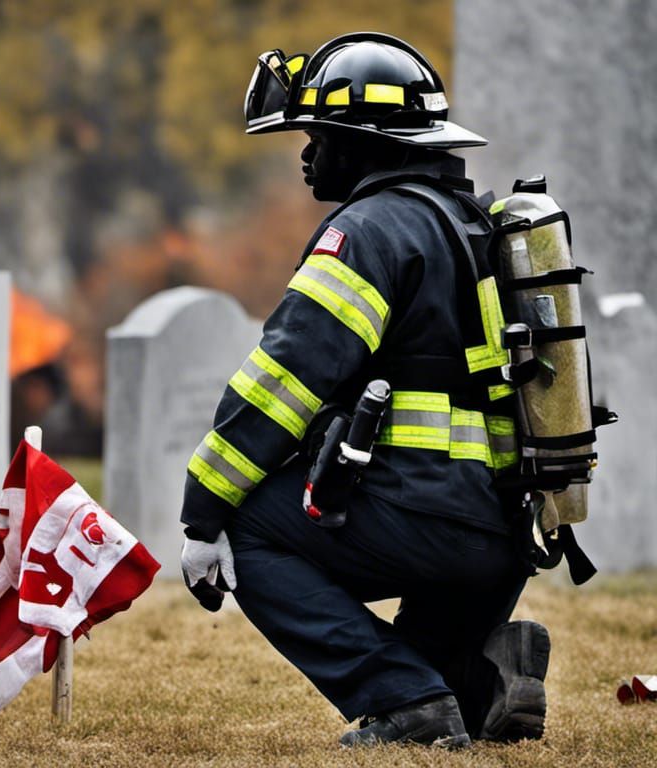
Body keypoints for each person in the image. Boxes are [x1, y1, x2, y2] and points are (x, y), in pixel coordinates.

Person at [178, 32, 549, 748]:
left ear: (366, 143)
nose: (308, 154)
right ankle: (489, 674)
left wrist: (204, 512)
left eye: (321, 135)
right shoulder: (475, 227)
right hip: (504, 538)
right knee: (437, 685)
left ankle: (409, 705)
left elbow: (285, 378)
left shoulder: (369, 232)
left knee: (252, 531)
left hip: (422, 520)